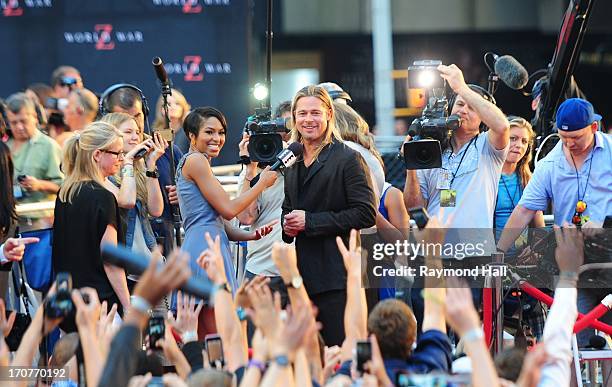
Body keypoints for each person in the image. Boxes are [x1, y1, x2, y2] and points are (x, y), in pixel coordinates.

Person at [498, 98, 612, 348]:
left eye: (577, 138)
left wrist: (603, 222)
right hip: (577, 267)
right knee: (577, 345)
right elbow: (524, 210)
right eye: (563, 137)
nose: (569, 144)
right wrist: (499, 253)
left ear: (594, 128)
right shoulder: (550, 164)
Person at [281, 85, 377, 346]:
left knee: (342, 354)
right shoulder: (292, 159)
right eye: (302, 114)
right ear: (294, 118)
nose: (308, 120)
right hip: (303, 277)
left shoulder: (348, 158)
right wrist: (287, 226)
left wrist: (310, 221)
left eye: (315, 112)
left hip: (339, 276)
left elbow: (366, 213)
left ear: (328, 116)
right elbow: (289, 208)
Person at [177, 107, 277, 336]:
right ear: (192, 136)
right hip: (205, 250)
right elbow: (229, 210)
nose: (217, 139)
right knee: (218, 336)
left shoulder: (196, 162)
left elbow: (217, 221)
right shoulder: (196, 161)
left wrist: (251, 235)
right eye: (209, 132)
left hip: (206, 244)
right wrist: (261, 184)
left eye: (221, 132)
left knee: (205, 337)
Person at [403, 64, 510, 229]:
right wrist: (411, 164)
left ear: (483, 117)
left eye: (472, 107)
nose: (464, 110)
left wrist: (461, 88)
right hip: (435, 246)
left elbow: (502, 126)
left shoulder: (487, 145)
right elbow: (414, 207)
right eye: (460, 104)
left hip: (475, 249)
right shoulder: (431, 148)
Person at [52, 122, 130, 327]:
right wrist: (129, 306)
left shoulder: (65, 193)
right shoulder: (103, 197)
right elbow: (111, 260)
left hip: (69, 307)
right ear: (97, 155)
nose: (122, 159)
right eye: (117, 153)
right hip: (100, 308)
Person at [104, 85, 183, 255]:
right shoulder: (105, 165)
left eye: (137, 115)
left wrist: (183, 192)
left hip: (161, 244)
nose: (134, 123)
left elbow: (157, 209)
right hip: (126, 252)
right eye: (124, 118)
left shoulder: (166, 150)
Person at [235, 101, 292, 306]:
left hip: (297, 270)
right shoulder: (253, 169)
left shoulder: (306, 164)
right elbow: (245, 217)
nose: (282, 138)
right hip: (261, 269)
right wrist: (250, 171)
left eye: (288, 129)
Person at [100, 113, 166, 280]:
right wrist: (127, 162)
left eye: (137, 132)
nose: (136, 137)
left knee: (162, 307)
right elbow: (127, 201)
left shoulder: (140, 167)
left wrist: (151, 165)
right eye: (128, 132)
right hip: (124, 267)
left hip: (149, 261)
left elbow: (156, 210)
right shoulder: (103, 176)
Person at [5, 93, 64, 229]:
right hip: (9, 220)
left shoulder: (49, 146)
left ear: (35, 118)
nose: (19, 127)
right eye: (14, 122)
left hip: (37, 222)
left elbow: (64, 187)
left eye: (23, 121)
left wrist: (39, 185)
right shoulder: (5, 145)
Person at [152, 88, 191, 154]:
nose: (173, 107)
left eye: (177, 104)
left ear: (183, 107)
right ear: (161, 109)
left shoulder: (189, 130)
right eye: (169, 104)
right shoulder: (157, 134)